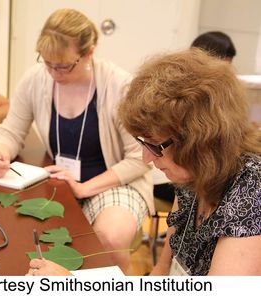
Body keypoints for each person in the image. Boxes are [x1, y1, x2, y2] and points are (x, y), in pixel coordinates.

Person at [27, 48, 261, 276]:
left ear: (197, 142)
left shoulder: (251, 195)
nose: (147, 158)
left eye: (154, 146)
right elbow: (162, 273)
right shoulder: (192, 177)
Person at [0, 8, 153, 273]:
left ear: (89, 53)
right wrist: (1, 154)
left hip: (116, 183)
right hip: (63, 182)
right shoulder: (36, 79)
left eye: (63, 66)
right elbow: (11, 132)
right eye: (48, 63)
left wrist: (85, 188)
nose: (54, 73)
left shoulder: (119, 86)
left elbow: (140, 159)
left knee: (110, 238)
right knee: (22, 233)